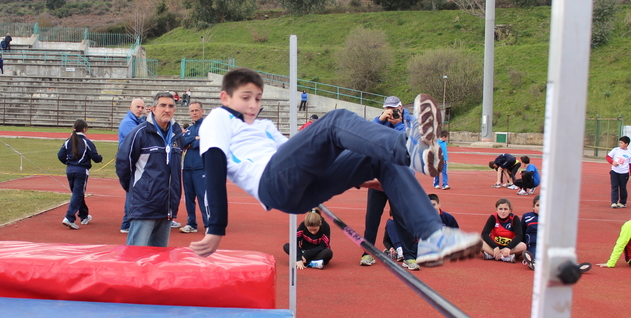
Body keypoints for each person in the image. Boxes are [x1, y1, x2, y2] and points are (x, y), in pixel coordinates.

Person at [189, 67, 481, 267]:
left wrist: (364, 177)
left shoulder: (264, 126)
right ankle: (409, 148)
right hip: (271, 182)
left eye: (257, 98)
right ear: (225, 97)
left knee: (381, 161)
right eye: (245, 98)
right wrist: (216, 228)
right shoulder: (217, 119)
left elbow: (301, 157)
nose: (253, 105)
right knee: (335, 120)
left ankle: (433, 236)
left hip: (301, 190)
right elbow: (213, 168)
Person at [116, 92, 183, 247]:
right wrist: (137, 189)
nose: (167, 109)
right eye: (163, 105)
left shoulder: (177, 136)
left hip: (167, 207)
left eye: (171, 106)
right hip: (144, 206)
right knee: (135, 258)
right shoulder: (139, 133)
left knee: (159, 260)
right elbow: (123, 164)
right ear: (153, 108)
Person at [360, 95, 414, 267]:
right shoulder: (382, 122)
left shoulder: (410, 122)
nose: (391, 112)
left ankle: (409, 256)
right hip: (379, 178)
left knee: (402, 219)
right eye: (388, 109)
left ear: (401, 107)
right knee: (372, 218)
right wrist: (379, 119)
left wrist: (397, 123)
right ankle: (367, 253)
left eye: (394, 108)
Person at [58, 119, 102, 230]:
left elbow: (60, 155)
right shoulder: (87, 142)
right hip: (81, 171)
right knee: (77, 194)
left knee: (78, 193)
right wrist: (100, 158)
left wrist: (69, 163)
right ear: (84, 129)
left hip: (70, 170)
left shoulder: (68, 141)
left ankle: (84, 216)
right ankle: (69, 217)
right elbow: (95, 156)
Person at [117, 98, 145, 233]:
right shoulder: (128, 123)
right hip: (129, 162)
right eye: (137, 107)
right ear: (131, 107)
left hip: (134, 161)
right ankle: (126, 223)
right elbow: (140, 137)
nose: (140, 109)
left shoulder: (137, 121)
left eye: (142, 107)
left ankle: (130, 221)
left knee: (134, 192)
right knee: (131, 193)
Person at [180, 101, 209, 234]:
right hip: (187, 169)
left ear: (202, 111)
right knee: (189, 198)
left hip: (201, 168)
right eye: (192, 111)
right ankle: (191, 223)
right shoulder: (190, 129)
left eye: (197, 110)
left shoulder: (207, 127)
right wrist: (194, 138)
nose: (194, 113)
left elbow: (203, 142)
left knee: (203, 198)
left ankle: (209, 224)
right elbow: (182, 142)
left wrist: (192, 141)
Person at [480, 198, 526, 262]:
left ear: (510, 210)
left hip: (509, 247)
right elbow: (484, 234)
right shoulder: (493, 217)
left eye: (505, 209)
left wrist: (508, 248)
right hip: (494, 246)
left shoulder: (514, 218)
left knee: (523, 246)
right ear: (497, 210)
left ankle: (492, 255)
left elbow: (519, 236)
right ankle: (504, 257)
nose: (503, 211)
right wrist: (495, 247)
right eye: (500, 209)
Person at [606, 136, 630, 208]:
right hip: (615, 171)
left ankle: (622, 202)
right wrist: (612, 162)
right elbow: (608, 157)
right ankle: (614, 202)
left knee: (623, 187)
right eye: (620, 142)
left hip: (624, 173)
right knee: (614, 187)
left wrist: (630, 173)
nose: (620, 144)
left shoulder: (629, 153)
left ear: (626, 144)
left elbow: (630, 164)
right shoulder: (615, 150)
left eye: (622, 143)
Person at [521, 195, 540, 269]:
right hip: (533, 244)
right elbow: (522, 231)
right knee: (534, 252)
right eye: (538, 205)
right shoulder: (527, 217)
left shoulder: (551, 217)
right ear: (533, 206)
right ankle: (533, 262)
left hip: (548, 244)